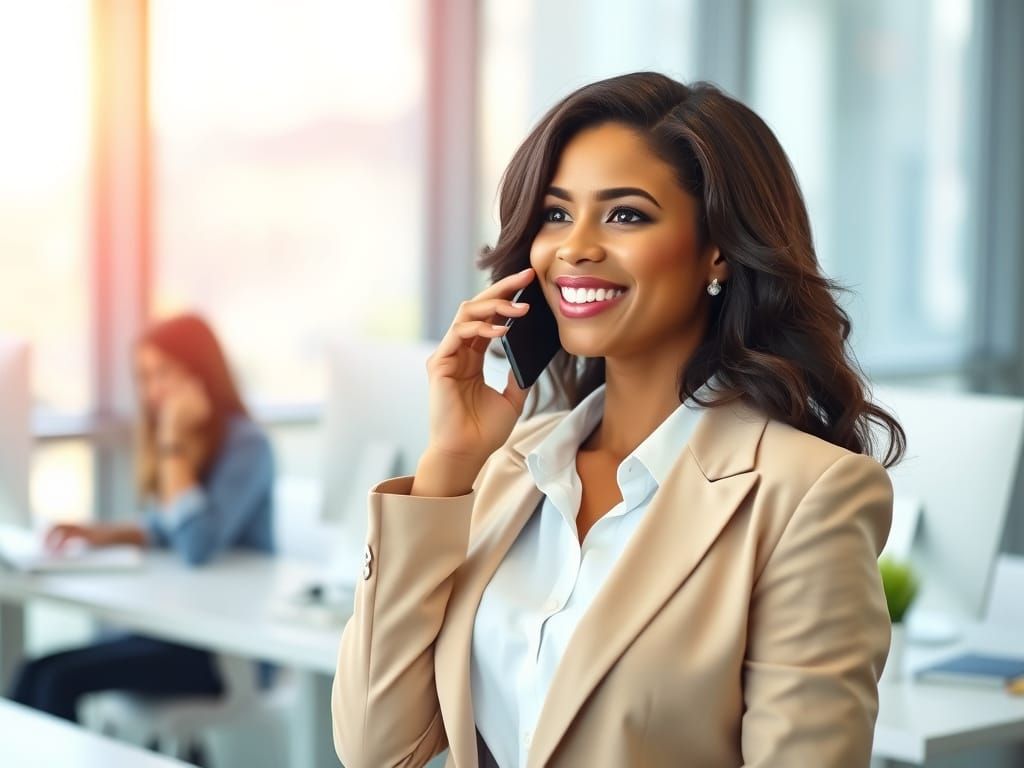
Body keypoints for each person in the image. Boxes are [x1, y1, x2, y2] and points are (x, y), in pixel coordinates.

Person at [332, 73, 905, 768]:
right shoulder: (512, 473)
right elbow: (376, 749)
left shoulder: (807, 497)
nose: (574, 248)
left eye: (625, 215)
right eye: (554, 214)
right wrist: (449, 467)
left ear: (717, 249)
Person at [9, 313, 275, 723]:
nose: (153, 392)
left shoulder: (248, 446)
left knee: (58, 681)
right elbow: (165, 526)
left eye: (163, 374)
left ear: (199, 374)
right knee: (35, 673)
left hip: (223, 651)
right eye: (144, 377)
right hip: (176, 630)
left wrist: (171, 443)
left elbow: (197, 544)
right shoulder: (194, 442)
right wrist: (101, 534)